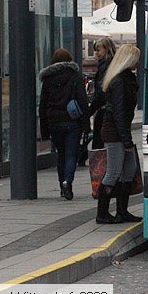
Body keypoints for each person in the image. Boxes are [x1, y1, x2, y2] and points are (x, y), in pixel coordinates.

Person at [96, 44, 142, 224]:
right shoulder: (120, 82)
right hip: (114, 132)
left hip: (119, 130)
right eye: (136, 59)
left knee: (129, 170)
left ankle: (122, 211)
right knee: (113, 172)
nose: (138, 62)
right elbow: (119, 113)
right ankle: (102, 213)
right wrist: (126, 140)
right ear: (129, 60)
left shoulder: (124, 79)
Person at [39, 48, 89, 200]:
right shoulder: (75, 76)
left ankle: (62, 185)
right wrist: (86, 125)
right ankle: (68, 182)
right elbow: (82, 100)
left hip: (54, 121)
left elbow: (43, 104)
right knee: (71, 154)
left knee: (61, 154)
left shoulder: (48, 79)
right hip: (72, 121)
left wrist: (44, 129)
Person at [90, 38, 117, 151]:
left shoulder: (104, 66)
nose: (96, 53)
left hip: (104, 109)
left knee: (99, 144)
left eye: (98, 50)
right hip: (111, 109)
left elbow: (101, 91)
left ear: (107, 49)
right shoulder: (113, 64)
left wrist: (90, 110)